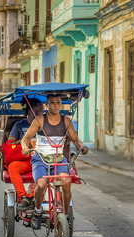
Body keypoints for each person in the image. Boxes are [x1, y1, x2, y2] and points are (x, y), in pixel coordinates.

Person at [22, 94, 88, 229]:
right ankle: (38, 211)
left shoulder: (66, 121)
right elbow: (26, 138)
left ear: (61, 104)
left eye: (58, 103)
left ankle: (66, 215)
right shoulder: (39, 120)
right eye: (52, 103)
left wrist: (81, 147)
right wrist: (24, 147)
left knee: (67, 181)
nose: (55, 106)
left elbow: (75, 139)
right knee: (41, 184)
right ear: (47, 104)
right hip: (40, 159)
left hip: (58, 160)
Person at [7, 98, 44, 210]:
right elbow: (10, 142)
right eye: (38, 106)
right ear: (29, 109)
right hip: (25, 159)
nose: (41, 108)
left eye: (41, 107)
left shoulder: (45, 122)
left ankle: (36, 196)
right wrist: (22, 141)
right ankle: (23, 197)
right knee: (13, 167)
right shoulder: (19, 125)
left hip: (42, 159)